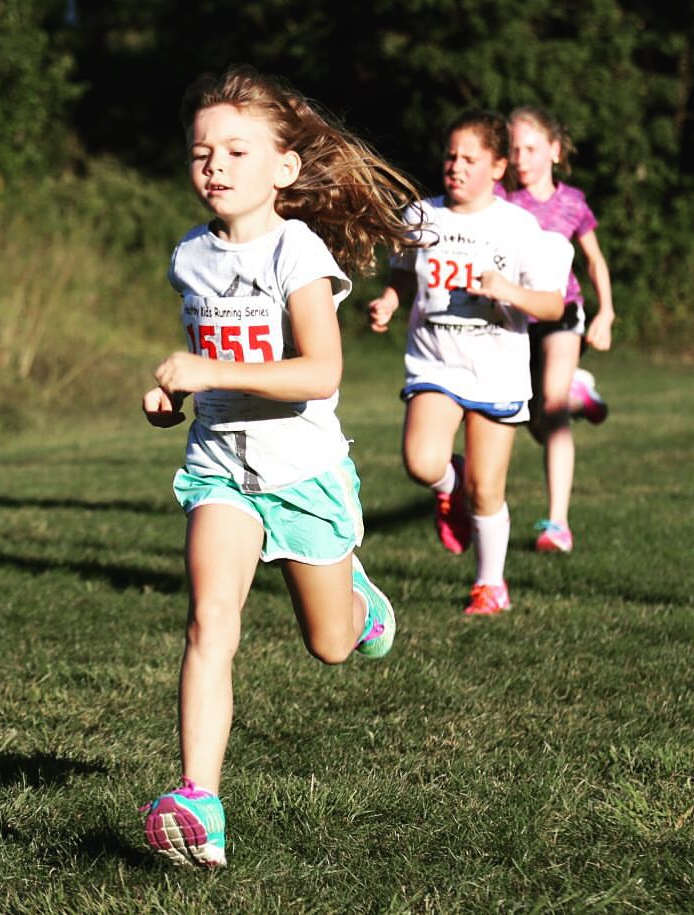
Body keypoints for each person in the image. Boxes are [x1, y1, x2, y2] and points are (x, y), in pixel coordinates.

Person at [140, 65, 420, 868]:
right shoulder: (189, 257)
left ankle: (357, 596)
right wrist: (170, 402)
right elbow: (205, 362)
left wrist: (207, 374)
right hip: (220, 467)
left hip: (303, 472)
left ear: (283, 169)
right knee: (208, 621)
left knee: (332, 645)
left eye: (235, 150)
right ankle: (199, 801)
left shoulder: (299, 252)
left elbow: (318, 373)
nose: (215, 167)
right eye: (201, 153)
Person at [368, 109, 573, 615]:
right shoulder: (422, 216)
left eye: (470, 159)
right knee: (421, 462)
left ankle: (489, 583)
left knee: (487, 489)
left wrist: (506, 290)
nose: (455, 166)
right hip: (436, 364)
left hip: (497, 369)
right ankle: (446, 484)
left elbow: (553, 305)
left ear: (498, 167)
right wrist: (391, 301)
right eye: (450, 156)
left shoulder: (519, 227)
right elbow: (402, 273)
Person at [495, 105, 615, 554]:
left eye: (530, 148)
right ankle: (578, 390)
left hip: (563, 314)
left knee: (552, 406)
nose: (521, 158)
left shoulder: (572, 203)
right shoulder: (499, 201)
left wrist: (606, 313)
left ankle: (557, 524)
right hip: (514, 320)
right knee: (535, 418)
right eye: (513, 150)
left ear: (555, 151)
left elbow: (595, 260)